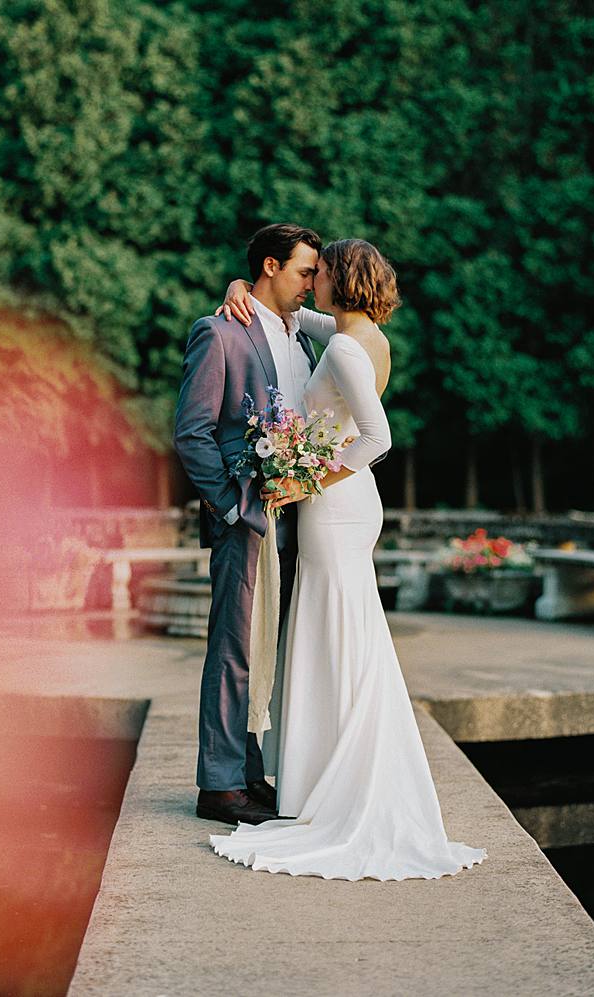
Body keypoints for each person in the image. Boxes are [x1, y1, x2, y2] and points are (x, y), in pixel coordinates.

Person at [210, 239, 487, 880]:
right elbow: (278, 305)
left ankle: (326, 789)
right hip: (346, 504)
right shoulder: (361, 334)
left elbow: (377, 436)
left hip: (335, 507)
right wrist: (236, 284)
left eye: (322, 273)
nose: (313, 283)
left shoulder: (338, 345)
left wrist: (304, 484)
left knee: (333, 634)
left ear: (344, 279)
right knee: (343, 634)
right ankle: (320, 779)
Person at [173, 223, 334, 827]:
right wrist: (230, 506)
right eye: (303, 272)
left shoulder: (303, 337)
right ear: (271, 265)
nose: (311, 285)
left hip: (296, 519)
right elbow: (193, 432)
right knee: (234, 647)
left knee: (266, 646)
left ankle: (247, 773)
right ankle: (217, 785)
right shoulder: (219, 333)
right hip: (246, 515)